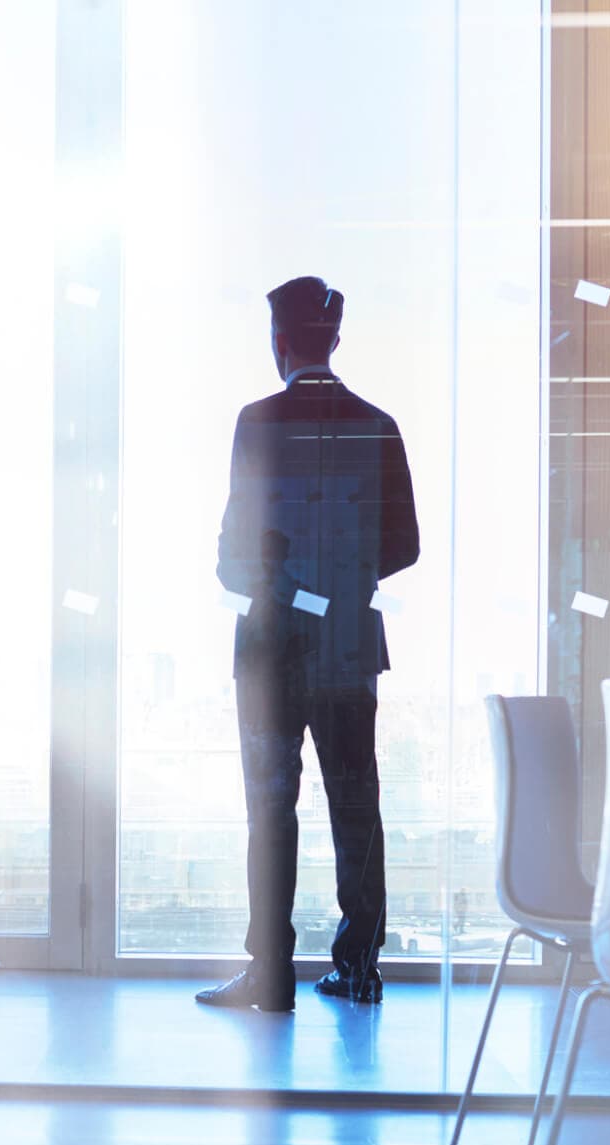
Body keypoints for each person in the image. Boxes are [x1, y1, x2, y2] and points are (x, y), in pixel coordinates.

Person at [197, 276, 419, 1013]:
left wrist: (278, 580)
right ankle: (359, 967)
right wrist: (342, 582)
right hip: (350, 646)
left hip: (270, 649)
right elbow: (406, 545)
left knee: (271, 810)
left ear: (280, 342)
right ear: (333, 340)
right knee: (356, 808)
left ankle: (270, 977)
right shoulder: (378, 424)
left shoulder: (256, 423)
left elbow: (234, 554)